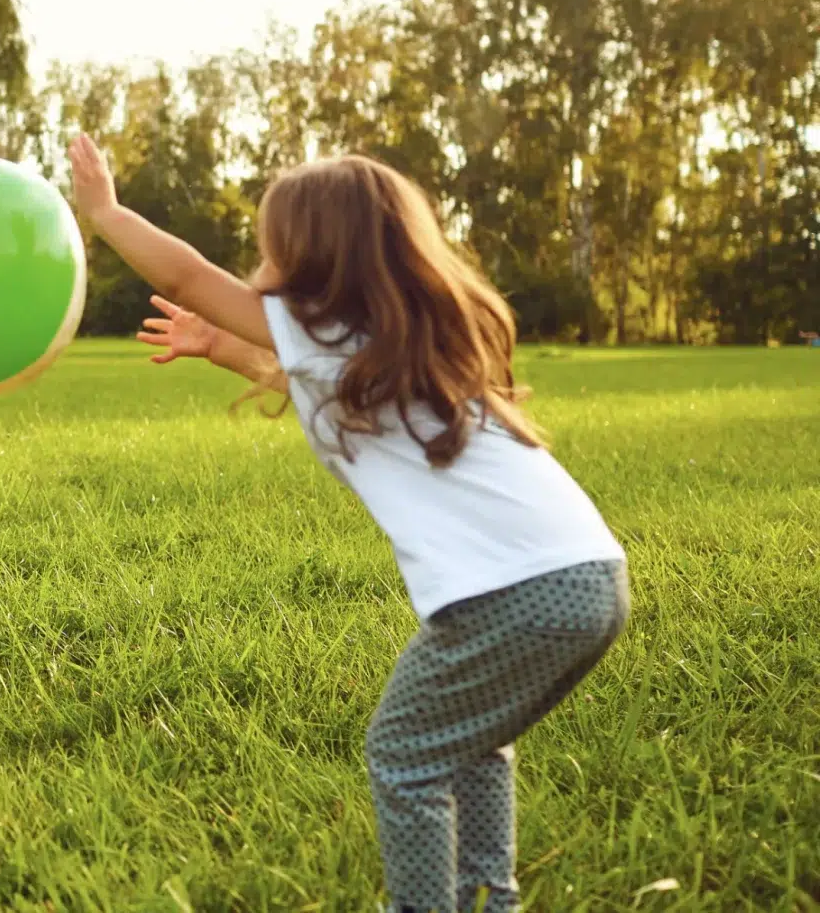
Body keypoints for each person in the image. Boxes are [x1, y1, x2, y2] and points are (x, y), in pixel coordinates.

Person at [67, 134, 628, 913]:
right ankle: (489, 900)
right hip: (590, 575)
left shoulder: (330, 334)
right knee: (468, 739)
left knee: (403, 752)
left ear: (312, 259)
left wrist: (106, 211)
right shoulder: (412, 345)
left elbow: (189, 276)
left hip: (512, 593)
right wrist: (221, 345)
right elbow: (307, 375)